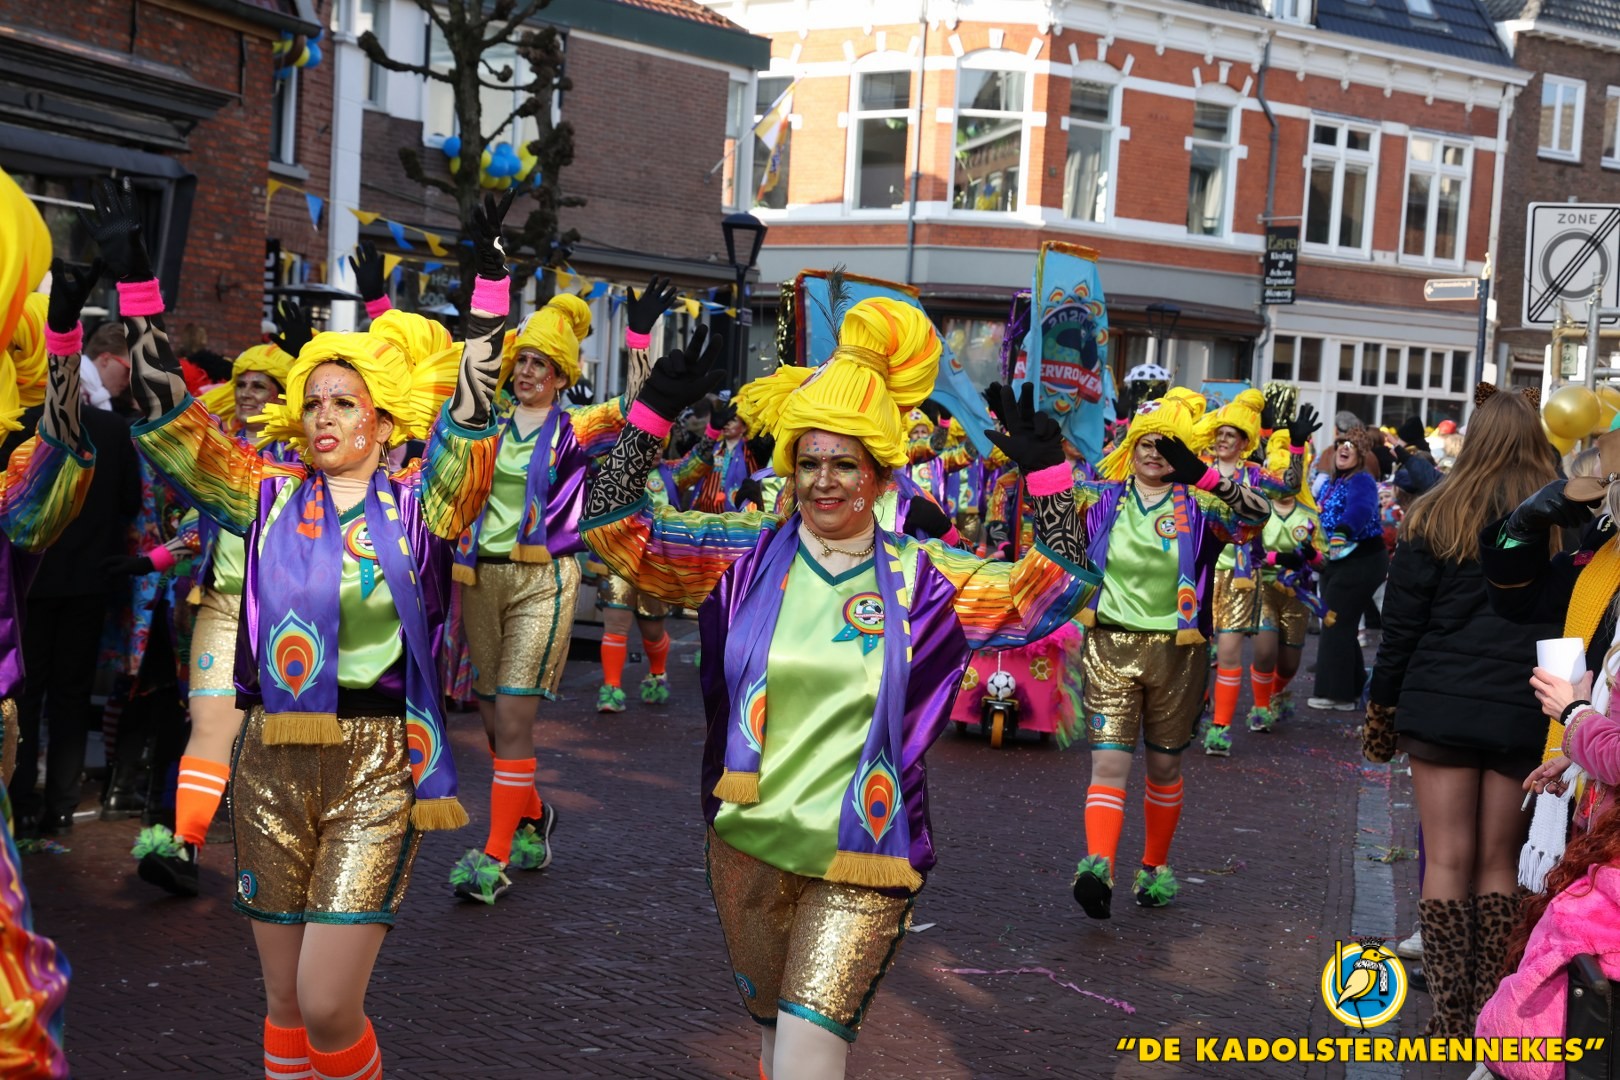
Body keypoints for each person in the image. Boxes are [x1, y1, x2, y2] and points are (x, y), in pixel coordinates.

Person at [582, 299, 1097, 1080]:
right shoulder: (740, 558)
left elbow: (1047, 592)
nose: (824, 481)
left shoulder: (924, 578)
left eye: (845, 463)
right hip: (747, 845)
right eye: (809, 462)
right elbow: (619, 533)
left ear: (880, 474)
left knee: (806, 1057)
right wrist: (648, 416)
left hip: (864, 858)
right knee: (773, 1043)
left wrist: (1050, 476)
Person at [103, 178, 509, 1078]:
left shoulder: (422, 509)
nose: (323, 416)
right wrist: (138, 297)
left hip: (378, 766)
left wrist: (487, 310)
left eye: (344, 402)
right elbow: (176, 427)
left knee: (329, 1004)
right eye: (314, 401)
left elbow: (473, 431)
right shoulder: (267, 495)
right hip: (272, 762)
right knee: (285, 1003)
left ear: (386, 422)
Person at [440, 276, 673, 903]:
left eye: (540, 364)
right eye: (521, 361)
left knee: (515, 717)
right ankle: (536, 815)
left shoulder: (578, 428)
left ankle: (492, 858)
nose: (526, 373)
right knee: (493, 723)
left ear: (562, 375)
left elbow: (639, 411)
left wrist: (639, 338)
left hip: (544, 580)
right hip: (479, 578)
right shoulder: (486, 425)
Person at [1363, 386, 1558, 1037]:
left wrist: (1382, 710)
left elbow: (1400, 627)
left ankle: (1450, 1011)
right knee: (1500, 861)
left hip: (1439, 702)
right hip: (1522, 705)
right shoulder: (1559, 523)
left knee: (1446, 857)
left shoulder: (1434, 514)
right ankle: (1491, 1010)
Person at [1067, 388, 1270, 918]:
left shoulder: (1202, 507)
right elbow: (1049, 512)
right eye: (1145, 444)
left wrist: (1205, 477)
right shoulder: (1099, 499)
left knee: (1163, 766)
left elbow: (1258, 515)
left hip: (1178, 654)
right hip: (1110, 645)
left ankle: (1154, 868)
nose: (1153, 454)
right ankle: (1097, 870)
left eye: (1166, 446)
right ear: (1130, 447)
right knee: (1109, 763)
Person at [130, 335, 304, 895]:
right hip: (222, 608)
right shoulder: (223, 450)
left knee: (283, 743)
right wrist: (151, 560)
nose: (248, 394)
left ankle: (297, 861)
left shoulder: (304, 459)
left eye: (262, 386)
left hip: (286, 617)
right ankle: (185, 847)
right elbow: (198, 523)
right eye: (243, 384)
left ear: (282, 396)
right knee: (209, 726)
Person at [6, 293, 141, 837]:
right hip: (87, 577)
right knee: (71, 692)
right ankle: (60, 804)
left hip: (30, 581)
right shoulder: (111, 430)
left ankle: (20, 797)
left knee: (26, 691)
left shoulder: (19, 428)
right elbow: (130, 502)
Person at [1198, 389, 1315, 755]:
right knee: (1195, 652)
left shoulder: (1253, 474)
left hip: (1240, 576)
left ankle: (1219, 730)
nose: (1222, 440)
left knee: (1229, 652)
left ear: (1245, 442)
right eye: (1219, 433)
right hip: (1197, 573)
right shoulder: (1199, 471)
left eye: (1230, 435)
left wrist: (1296, 447)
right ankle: (1197, 705)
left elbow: (1290, 485)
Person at [1475, 798, 1620, 1080]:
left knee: (1469, 860)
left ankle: (1449, 1024)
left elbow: (1517, 1026)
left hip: (1552, 1058)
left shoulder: (1582, 903)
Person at [1308, 428, 1386, 710]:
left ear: (1361, 454)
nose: (1344, 448)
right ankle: (1352, 687)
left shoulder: (1362, 480)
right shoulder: (1334, 482)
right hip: (1337, 560)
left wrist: (1343, 529)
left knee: (1335, 621)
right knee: (1342, 622)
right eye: (1341, 443)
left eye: (1351, 446)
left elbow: (1361, 509)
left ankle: (1335, 694)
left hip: (1361, 559)